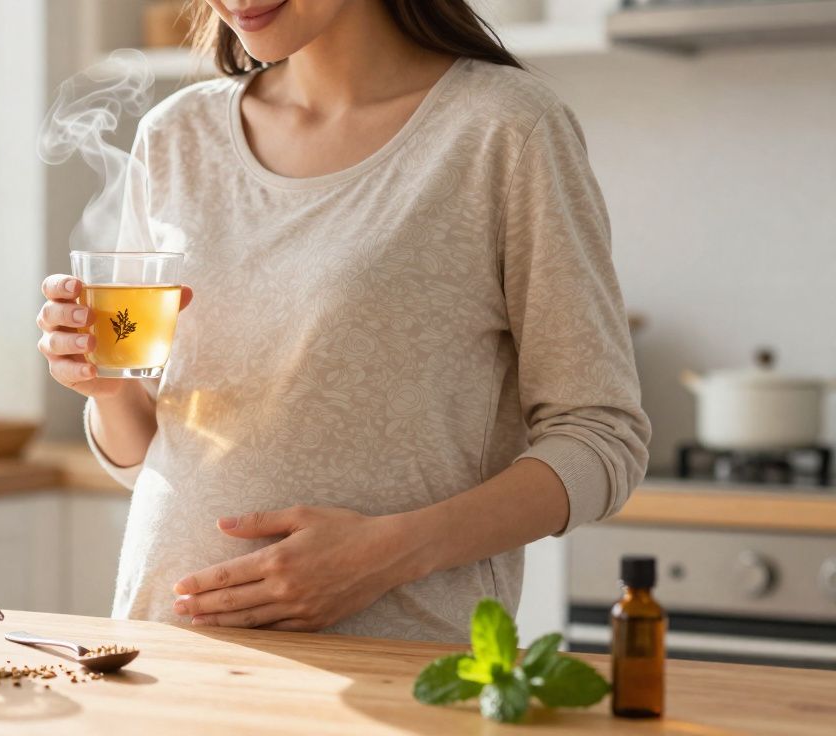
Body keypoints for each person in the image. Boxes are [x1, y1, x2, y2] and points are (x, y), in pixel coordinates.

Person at [35, 0, 650, 641]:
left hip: (392, 668)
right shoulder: (175, 135)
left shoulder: (504, 129)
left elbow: (601, 438)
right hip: (166, 653)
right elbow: (153, 457)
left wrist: (387, 553)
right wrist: (106, 390)